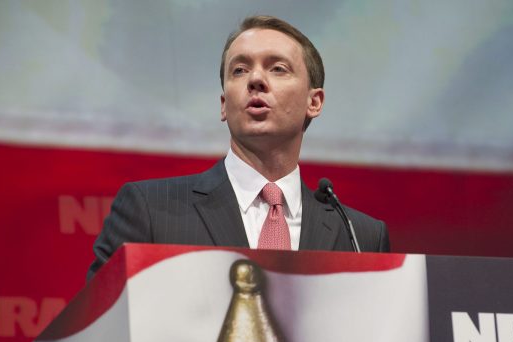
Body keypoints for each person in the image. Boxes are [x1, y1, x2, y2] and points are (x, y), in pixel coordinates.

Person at [87, 15, 389, 281]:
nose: (256, 79)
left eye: (278, 68)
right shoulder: (150, 211)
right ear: (223, 105)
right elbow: (101, 331)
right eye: (240, 70)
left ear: (314, 102)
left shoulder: (359, 236)